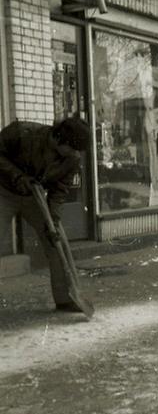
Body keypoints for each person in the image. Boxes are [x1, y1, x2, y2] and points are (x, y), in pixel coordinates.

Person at [0, 116, 91, 312]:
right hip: (3, 191)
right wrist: (17, 176)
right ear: (60, 138)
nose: (76, 154)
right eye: (73, 148)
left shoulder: (71, 159)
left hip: (33, 196)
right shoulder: (21, 133)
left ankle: (66, 298)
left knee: (57, 242)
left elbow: (60, 190)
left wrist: (53, 220)